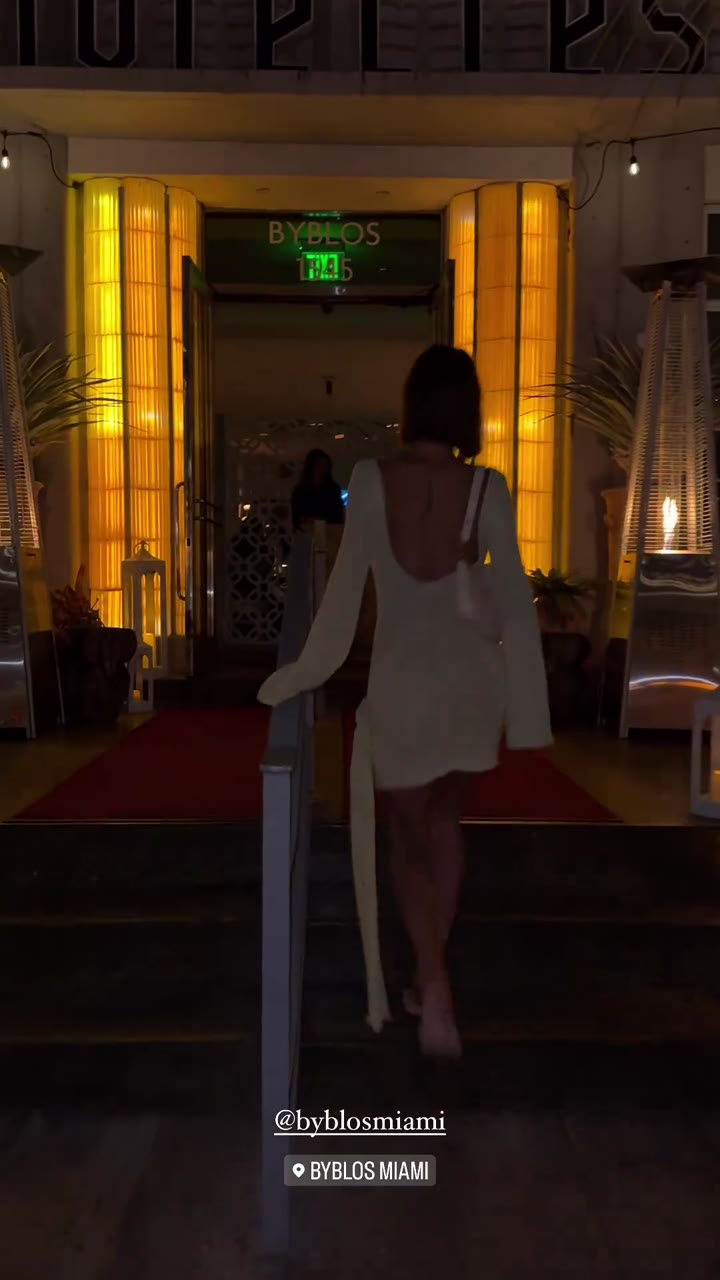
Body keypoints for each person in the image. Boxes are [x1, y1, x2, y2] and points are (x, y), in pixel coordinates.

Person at [259, 346, 552, 1060]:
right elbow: (515, 602)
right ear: (468, 409)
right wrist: (529, 712)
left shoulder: (370, 480)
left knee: (406, 838)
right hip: (472, 683)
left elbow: (342, 599)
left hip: (403, 681)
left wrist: (302, 672)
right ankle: (431, 981)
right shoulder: (487, 487)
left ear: (413, 404)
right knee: (446, 825)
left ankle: (434, 987)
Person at [291, 448, 345, 532]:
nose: (322, 469)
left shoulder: (333, 490)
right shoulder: (300, 491)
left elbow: (338, 516)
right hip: (305, 533)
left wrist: (320, 521)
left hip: (329, 533)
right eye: (319, 465)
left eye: (325, 466)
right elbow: (296, 518)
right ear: (311, 467)